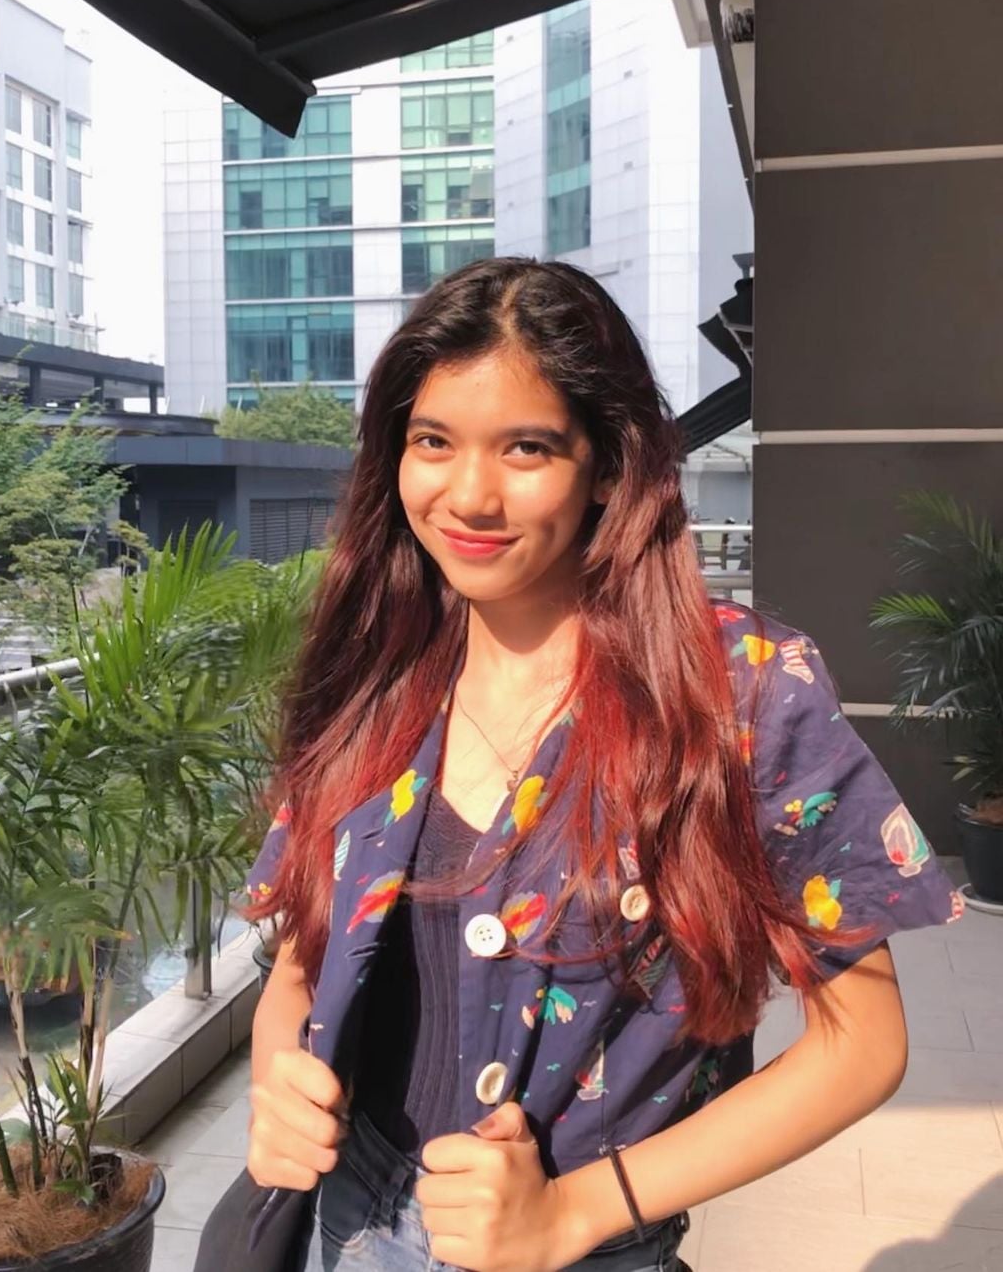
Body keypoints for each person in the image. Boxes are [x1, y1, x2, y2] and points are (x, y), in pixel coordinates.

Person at [239, 258, 963, 1272]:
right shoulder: (379, 670)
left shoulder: (736, 687)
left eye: (526, 447)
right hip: (347, 1223)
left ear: (607, 466)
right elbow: (305, 956)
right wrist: (278, 1073)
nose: (469, 494)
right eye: (433, 441)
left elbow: (864, 1042)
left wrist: (576, 1210)